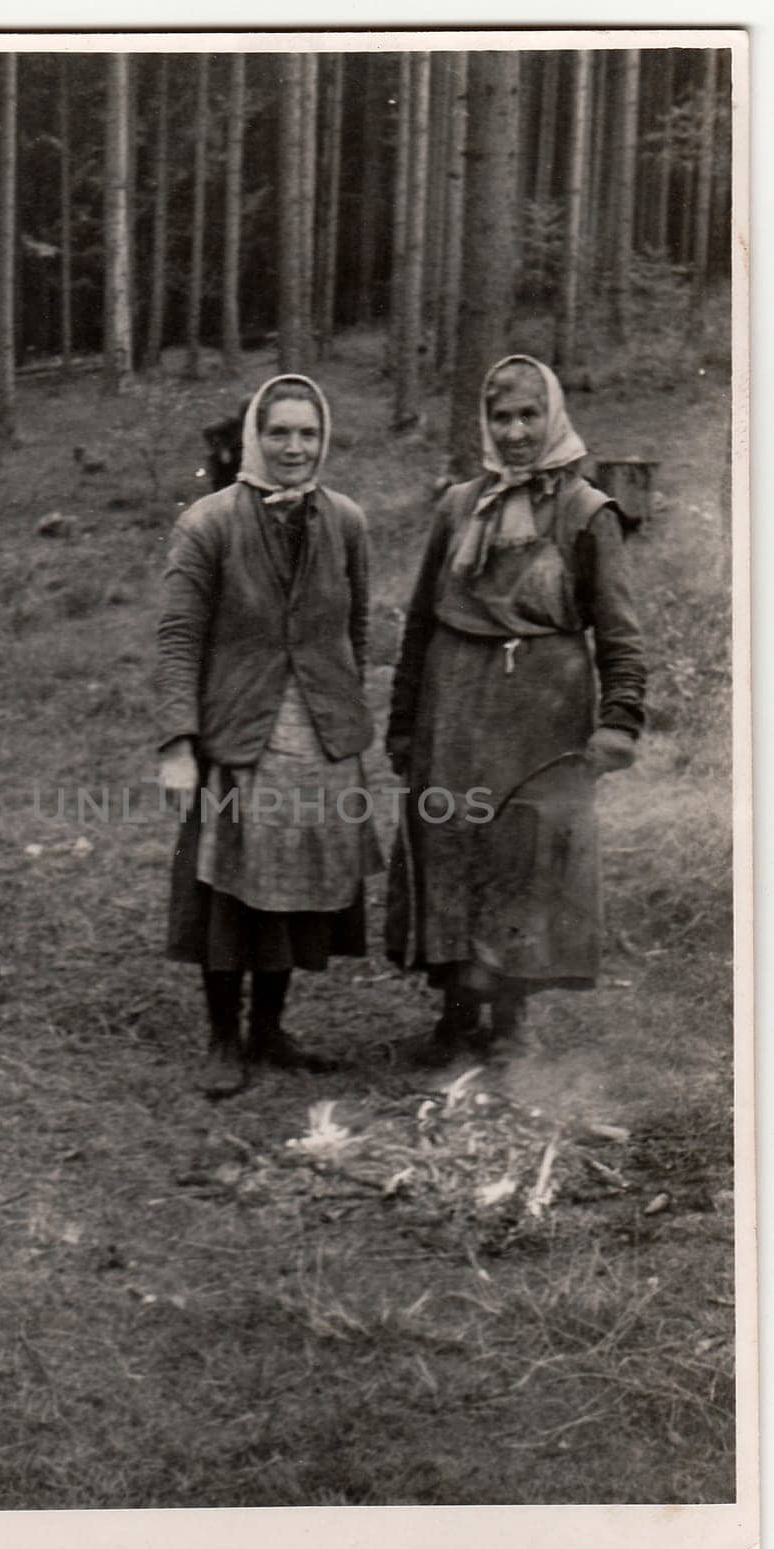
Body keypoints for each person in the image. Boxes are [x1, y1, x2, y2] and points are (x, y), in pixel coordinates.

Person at [385, 354, 646, 1065]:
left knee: (525, 857)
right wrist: (404, 722)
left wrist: (619, 719)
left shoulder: (587, 513)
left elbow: (619, 630)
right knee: (449, 844)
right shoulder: (455, 507)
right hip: (453, 706)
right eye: (501, 416)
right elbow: (418, 621)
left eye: (529, 414)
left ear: (552, 415)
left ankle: (509, 1021)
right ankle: (454, 1011)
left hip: (543, 716)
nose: (515, 431)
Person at [157, 374, 382, 1100]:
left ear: (323, 440)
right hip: (239, 731)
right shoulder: (208, 522)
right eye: (279, 432)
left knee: (295, 885)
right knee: (232, 888)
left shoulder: (345, 520)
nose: (293, 447)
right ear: (255, 435)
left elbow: (357, 626)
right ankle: (225, 1038)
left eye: (307, 434)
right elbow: (179, 639)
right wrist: (178, 743)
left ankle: (271, 1031)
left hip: (316, 734)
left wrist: (341, 705)